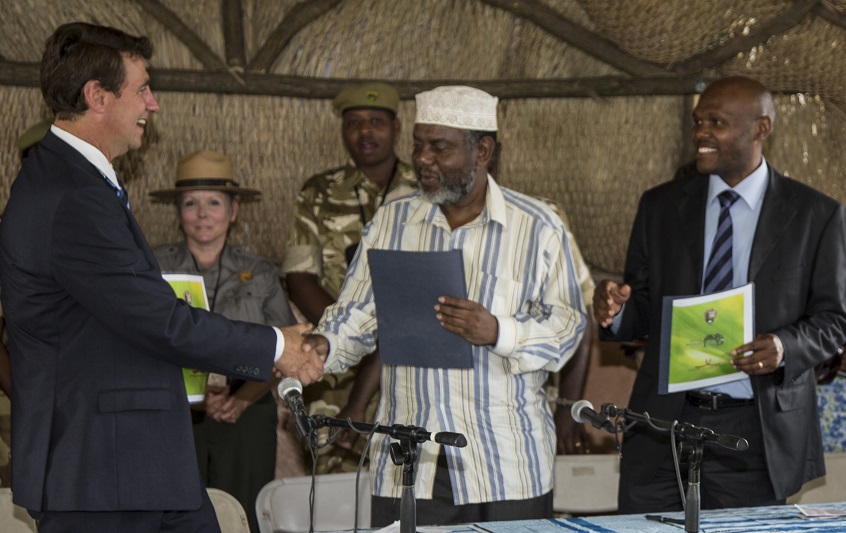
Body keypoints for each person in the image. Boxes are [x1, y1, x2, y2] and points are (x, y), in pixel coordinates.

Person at [0, 22, 322, 532]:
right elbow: (157, 319)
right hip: (102, 473)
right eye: (143, 88)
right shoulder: (71, 196)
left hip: (133, 465)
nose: (153, 105)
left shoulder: (73, 179)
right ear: (97, 96)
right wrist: (274, 347)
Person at [304, 85, 587, 525]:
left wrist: (499, 331)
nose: (422, 159)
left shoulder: (538, 226)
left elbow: (569, 326)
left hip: (506, 464)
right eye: (418, 145)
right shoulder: (393, 222)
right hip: (408, 463)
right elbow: (354, 314)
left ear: (483, 151)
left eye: (440, 147)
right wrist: (323, 347)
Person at [594, 76, 846, 513]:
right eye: (697, 122)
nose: (700, 134)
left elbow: (835, 320)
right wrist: (616, 311)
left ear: (760, 129)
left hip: (753, 431)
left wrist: (784, 347)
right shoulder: (660, 206)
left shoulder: (815, 215)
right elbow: (645, 308)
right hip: (662, 424)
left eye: (717, 122)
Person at [150, 149, 300, 533]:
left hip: (247, 407)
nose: (202, 214)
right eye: (191, 204)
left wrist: (243, 398)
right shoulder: (152, 267)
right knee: (173, 509)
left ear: (233, 212)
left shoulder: (261, 273)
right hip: (173, 408)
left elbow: (284, 347)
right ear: (178, 212)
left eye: (214, 203)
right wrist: (197, 398)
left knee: (244, 509)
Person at [282, 82, 417, 473]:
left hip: (407, 368)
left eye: (376, 121)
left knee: (407, 479)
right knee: (334, 483)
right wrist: (353, 332)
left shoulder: (425, 190)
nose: (365, 131)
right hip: (335, 369)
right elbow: (300, 277)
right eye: (354, 122)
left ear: (395, 127)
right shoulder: (318, 193)